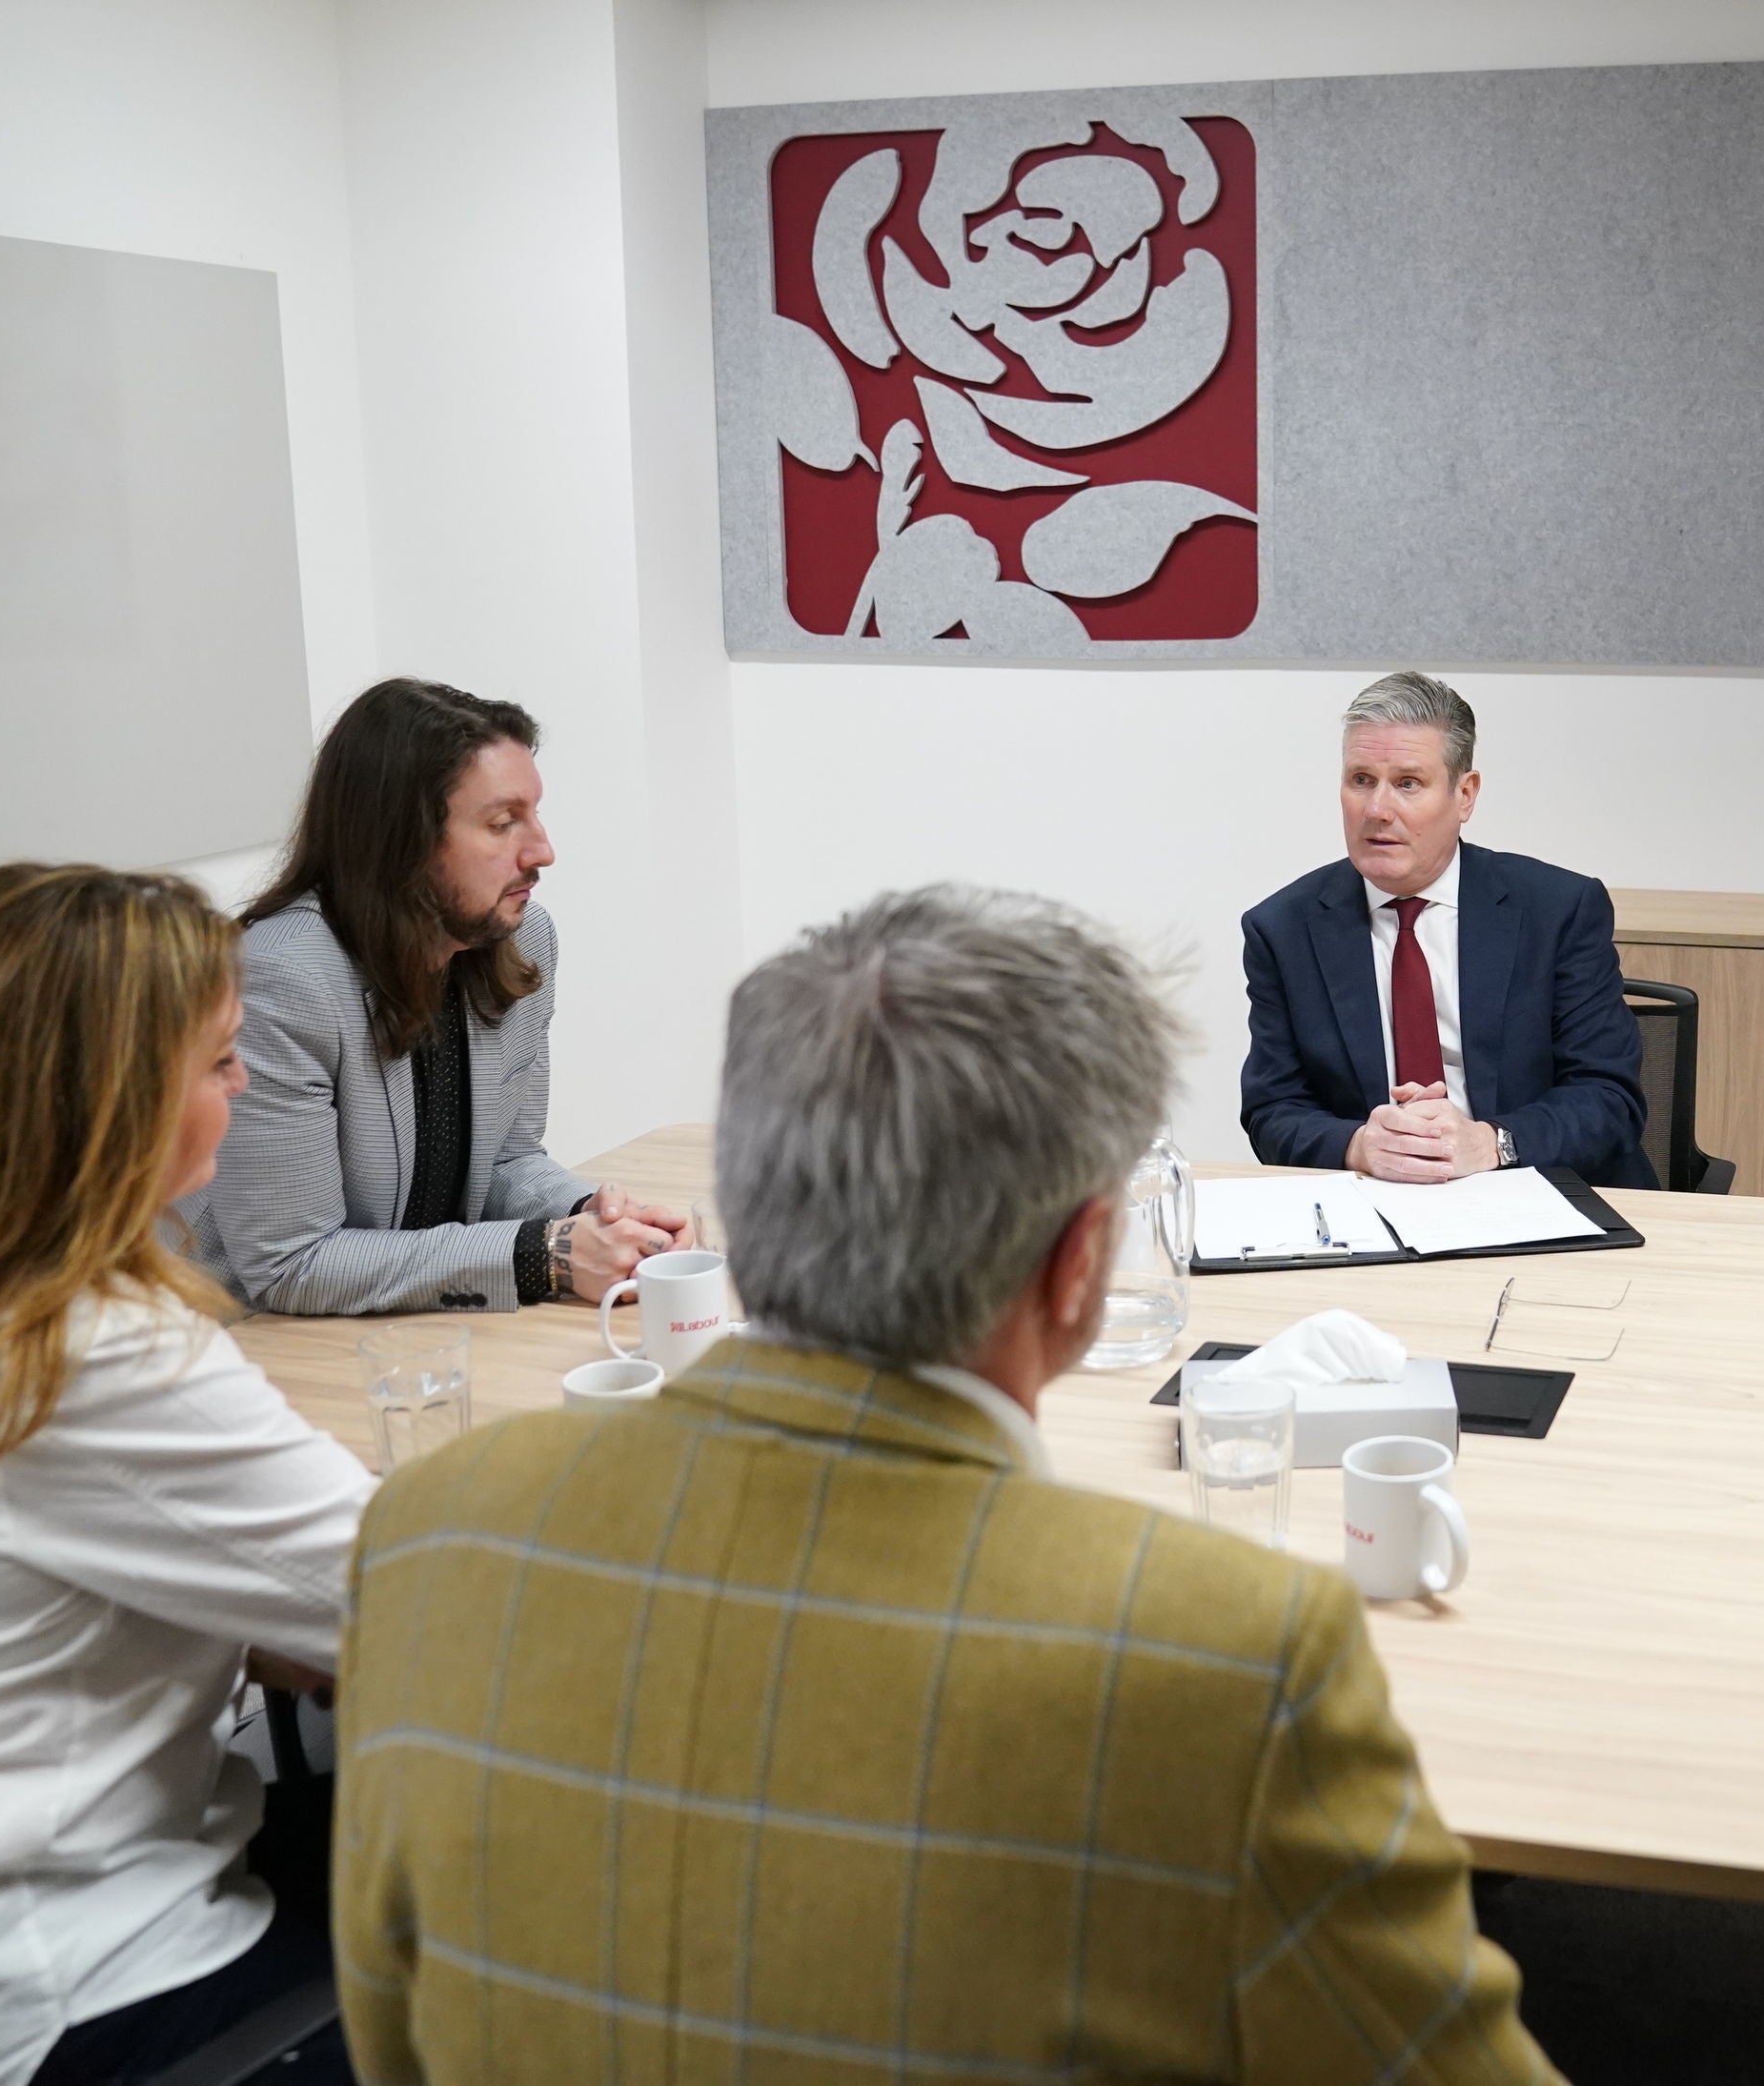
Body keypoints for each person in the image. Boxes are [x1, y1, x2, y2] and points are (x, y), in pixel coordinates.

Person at [331, 884, 1560, 2085]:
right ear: (1082, 1264)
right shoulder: (1230, 1654)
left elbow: (390, 2034)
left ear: (744, 1216)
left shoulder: (428, 1529)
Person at [0, 865, 378, 2086]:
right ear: (103, 1102)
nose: (243, 1086)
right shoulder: (82, 1346)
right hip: (9, 1980)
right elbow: (419, 1602)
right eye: (218, 1061)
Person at [182, 678, 686, 1316]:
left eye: (534, 814)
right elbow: (291, 1264)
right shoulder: (283, 978)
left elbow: (506, 1160)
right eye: (504, 823)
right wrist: (546, 1254)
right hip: (258, 1341)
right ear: (403, 840)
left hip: (411, 1328)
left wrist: (601, 1220)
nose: (543, 851)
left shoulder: (524, 938)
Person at [1239, 670, 1653, 1189]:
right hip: (1378, 1201)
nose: (1377, 809)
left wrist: (1492, 1143)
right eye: (1361, 780)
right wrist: (1358, 1146)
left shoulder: (1557, 910)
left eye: (1408, 783)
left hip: (1540, 1190)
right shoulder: (1284, 928)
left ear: (1465, 795)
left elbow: (1608, 1098)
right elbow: (1272, 1109)